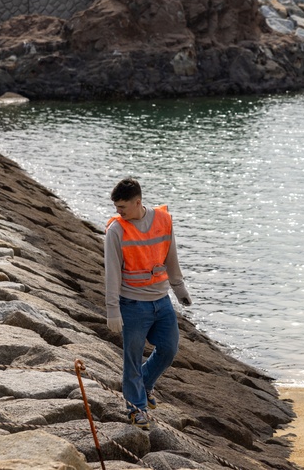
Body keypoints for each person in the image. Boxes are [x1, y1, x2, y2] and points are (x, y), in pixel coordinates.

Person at [104, 177, 192, 430]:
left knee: (168, 349)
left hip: (161, 300)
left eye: (122, 207)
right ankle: (136, 408)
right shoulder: (115, 230)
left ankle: (143, 383)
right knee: (131, 358)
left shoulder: (163, 220)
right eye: (116, 207)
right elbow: (112, 273)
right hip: (132, 304)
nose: (117, 212)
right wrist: (112, 310)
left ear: (138, 202)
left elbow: (171, 255)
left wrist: (179, 288)